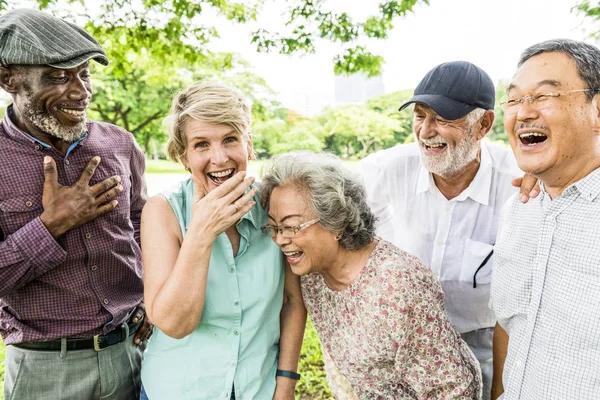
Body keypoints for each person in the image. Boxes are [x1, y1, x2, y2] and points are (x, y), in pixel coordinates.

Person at [0, 8, 151, 400]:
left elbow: (145, 232)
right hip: (44, 369)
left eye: (84, 74)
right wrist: (50, 227)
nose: (81, 91)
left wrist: (153, 300)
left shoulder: (120, 144)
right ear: (7, 78)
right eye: (57, 76)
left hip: (133, 352)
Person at [360, 61, 527, 400]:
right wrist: (385, 260)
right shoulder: (390, 168)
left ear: (483, 125)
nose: (425, 131)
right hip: (402, 339)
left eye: (442, 118)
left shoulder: (519, 183)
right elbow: (346, 213)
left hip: (482, 342)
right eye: (420, 116)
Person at [261, 150, 482, 399]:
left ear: (336, 223)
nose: (280, 239)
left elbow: (453, 389)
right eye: (274, 227)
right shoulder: (311, 273)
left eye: (291, 227)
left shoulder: (397, 285)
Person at [139, 82, 306, 400]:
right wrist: (201, 232)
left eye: (230, 139)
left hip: (258, 388)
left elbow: (292, 302)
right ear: (183, 156)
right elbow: (175, 324)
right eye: (201, 144)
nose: (219, 158)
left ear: (249, 145)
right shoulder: (163, 211)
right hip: (177, 390)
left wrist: (285, 385)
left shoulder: (273, 205)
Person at [490, 39, 600, 400]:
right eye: (514, 99)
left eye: (543, 96)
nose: (523, 113)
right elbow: (510, 322)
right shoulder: (519, 208)